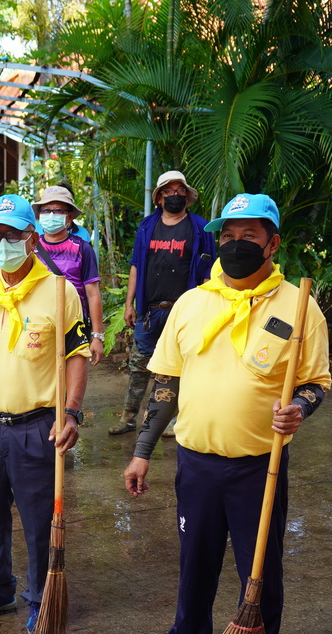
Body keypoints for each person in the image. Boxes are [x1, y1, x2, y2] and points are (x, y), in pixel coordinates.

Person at [121, 193, 331, 634]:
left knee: (259, 573)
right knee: (195, 565)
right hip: (195, 465)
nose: (236, 245)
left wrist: (299, 410)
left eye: (250, 236)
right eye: (228, 236)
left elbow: (315, 383)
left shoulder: (300, 309)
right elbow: (166, 384)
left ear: (273, 242)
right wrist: (143, 450)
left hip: (260, 468)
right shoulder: (193, 304)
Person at [0, 194, 90, 634]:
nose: (2, 243)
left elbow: (77, 355)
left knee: (38, 520)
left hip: (37, 427)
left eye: (12, 235)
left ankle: (40, 598)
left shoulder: (61, 290)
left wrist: (71, 413)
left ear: (31, 238)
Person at [109, 170, 216, 435]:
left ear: (187, 196)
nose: (175, 195)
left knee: (181, 367)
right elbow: (135, 266)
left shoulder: (200, 228)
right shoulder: (147, 226)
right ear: (159, 197)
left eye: (180, 190)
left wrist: (202, 309)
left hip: (184, 311)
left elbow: (207, 273)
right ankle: (128, 418)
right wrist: (129, 304)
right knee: (139, 366)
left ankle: (173, 420)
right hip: (150, 310)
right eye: (169, 191)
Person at [33, 185, 105, 366]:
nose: (51, 215)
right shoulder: (30, 247)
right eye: (46, 210)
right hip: (36, 324)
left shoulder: (82, 248)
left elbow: (93, 293)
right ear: (39, 215)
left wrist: (97, 336)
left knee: (70, 382)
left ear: (70, 216)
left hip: (74, 326)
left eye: (58, 211)